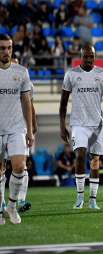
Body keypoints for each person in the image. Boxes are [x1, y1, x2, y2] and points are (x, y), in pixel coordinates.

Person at [59, 44, 103, 210]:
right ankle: (79, 197)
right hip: (78, 123)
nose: (89, 59)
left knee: (95, 161)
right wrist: (62, 125)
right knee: (80, 154)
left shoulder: (102, 74)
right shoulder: (71, 74)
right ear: (80, 56)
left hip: (97, 124)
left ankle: (92, 199)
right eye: (86, 56)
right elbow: (63, 103)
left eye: (92, 56)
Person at [0, 34, 34, 225]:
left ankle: (12, 206)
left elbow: (26, 102)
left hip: (16, 129)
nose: (6, 52)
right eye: (3, 48)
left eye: (9, 48)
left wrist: (29, 130)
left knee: (20, 166)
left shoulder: (22, 72)